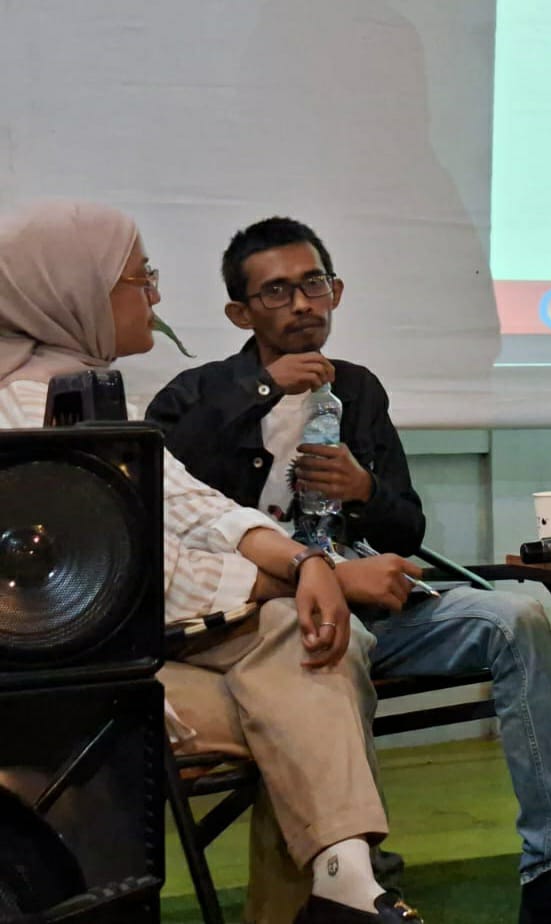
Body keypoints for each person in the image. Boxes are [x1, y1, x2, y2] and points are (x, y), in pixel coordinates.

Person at [143, 216, 551, 924]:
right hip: (264, 625)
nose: (302, 304)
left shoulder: (358, 390)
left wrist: (364, 490)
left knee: (515, 619)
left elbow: (406, 528)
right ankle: (355, 866)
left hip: (374, 602)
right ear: (241, 312)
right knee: (329, 640)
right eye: (277, 292)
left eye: (314, 284)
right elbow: (171, 502)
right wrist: (262, 389)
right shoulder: (192, 395)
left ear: (337, 291)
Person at [0, 199, 420, 923]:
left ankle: (341, 878)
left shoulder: (78, 395)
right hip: (61, 693)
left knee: (303, 649)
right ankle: (342, 883)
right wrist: (310, 576)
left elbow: (193, 507)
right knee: (306, 690)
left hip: (135, 663)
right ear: (73, 292)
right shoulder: (22, 415)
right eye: (141, 278)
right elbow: (133, 577)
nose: (156, 296)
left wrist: (304, 564)